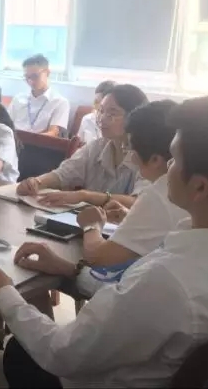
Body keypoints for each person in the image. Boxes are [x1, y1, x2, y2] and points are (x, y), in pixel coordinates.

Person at [0, 95, 208, 388]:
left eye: (175, 159)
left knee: (20, 353)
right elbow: (136, 298)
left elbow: (61, 353)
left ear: (200, 187)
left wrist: (2, 291)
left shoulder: (170, 281)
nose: (168, 167)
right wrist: (71, 271)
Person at [72, 101, 187, 294]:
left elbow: (100, 258)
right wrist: (131, 217)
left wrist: (91, 226)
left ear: (156, 159)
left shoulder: (160, 193)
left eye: (131, 149)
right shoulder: (191, 188)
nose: (131, 158)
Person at [17, 84, 149, 209]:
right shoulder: (96, 147)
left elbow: (141, 202)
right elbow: (64, 173)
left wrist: (85, 196)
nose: (102, 118)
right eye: (101, 111)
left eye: (112, 113)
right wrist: (37, 182)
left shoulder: (147, 156)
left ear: (134, 117)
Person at [10, 54, 70, 136]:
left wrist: (31, 139)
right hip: (13, 140)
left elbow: (54, 133)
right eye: (27, 77)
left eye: (35, 76)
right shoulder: (18, 99)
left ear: (47, 73)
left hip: (40, 142)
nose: (31, 81)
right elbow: (6, 125)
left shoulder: (60, 102)